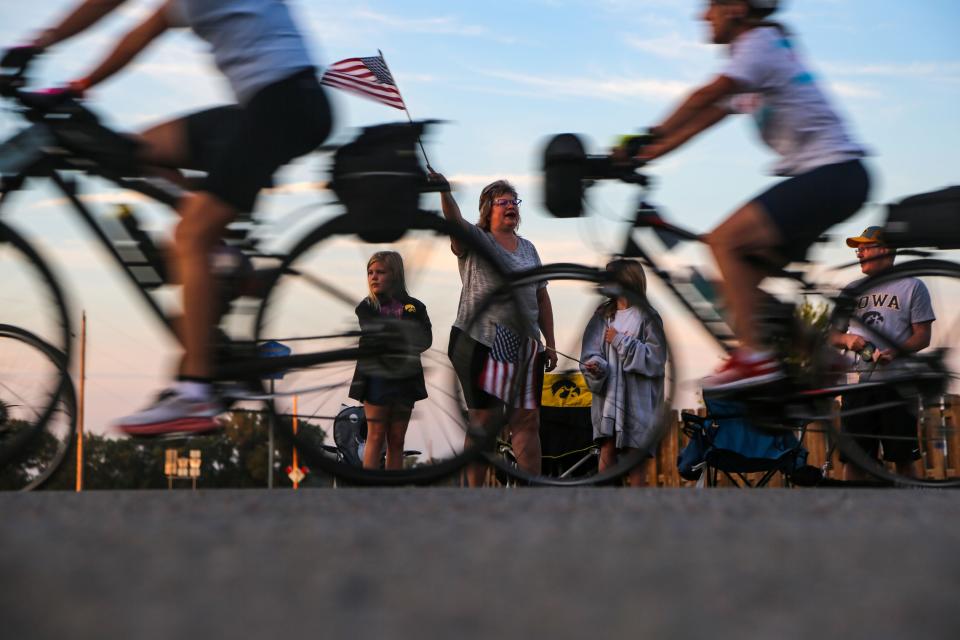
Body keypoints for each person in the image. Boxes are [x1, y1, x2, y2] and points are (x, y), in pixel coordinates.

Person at [7, 1, 333, 436]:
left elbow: (121, 15)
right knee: (137, 150)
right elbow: (143, 32)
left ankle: (194, 393)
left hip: (284, 106)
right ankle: (218, 252)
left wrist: (36, 48)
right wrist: (77, 85)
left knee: (189, 235)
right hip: (268, 105)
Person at [634, 0, 870, 393]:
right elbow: (701, 120)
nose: (703, 15)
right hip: (831, 179)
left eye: (710, 5)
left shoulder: (758, 44)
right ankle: (821, 357)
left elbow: (704, 97)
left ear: (736, 8)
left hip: (834, 174)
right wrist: (639, 155)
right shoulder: (758, 53)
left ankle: (754, 358)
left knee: (723, 241)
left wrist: (642, 138)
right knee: (737, 281)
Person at [431, 173, 557, 485]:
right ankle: (474, 497)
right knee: (484, 422)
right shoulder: (477, 240)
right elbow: (454, 220)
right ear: (488, 209)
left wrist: (549, 342)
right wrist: (445, 193)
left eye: (515, 201)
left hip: (525, 345)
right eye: (503, 202)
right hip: (481, 340)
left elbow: (541, 295)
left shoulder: (529, 249)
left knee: (527, 420)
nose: (511, 206)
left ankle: (531, 494)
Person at [832, 226, 935, 481]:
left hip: (898, 384)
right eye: (858, 248)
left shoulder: (912, 286)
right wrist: (848, 339)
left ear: (885, 250)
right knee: (856, 459)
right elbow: (831, 335)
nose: (859, 253)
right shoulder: (851, 289)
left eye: (865, 247)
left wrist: (897, 353)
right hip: (857, 385)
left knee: (903, 458)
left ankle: (911, 515)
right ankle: (852, 515)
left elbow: (923, 335)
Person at [580, 260, 666, 487]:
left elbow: (656, 360)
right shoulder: (602, 315)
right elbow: (591, 352)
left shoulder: (648, 316)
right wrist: (595, 366)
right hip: (608, 400)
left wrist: (620, 340)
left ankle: (637, 513)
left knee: (634, 456)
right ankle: (604, 510)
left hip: (638, 403)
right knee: (607, 449)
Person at [348, 251, 432, 471]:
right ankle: (369, 488)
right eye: (370, 272)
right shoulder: (367, 307)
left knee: (397, 440)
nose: (373, 277)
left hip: (406, 377)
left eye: (380, 272)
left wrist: (398, 337)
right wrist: (404, 336)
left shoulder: (415, 307)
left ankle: (391, 490)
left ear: (395, 275)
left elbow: (425, 339)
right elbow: (375, 334)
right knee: (375, 436)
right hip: (377, 376)